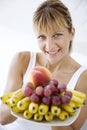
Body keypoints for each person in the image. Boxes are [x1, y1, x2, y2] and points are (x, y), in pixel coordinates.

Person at [0, 0, 87, 130]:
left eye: (57, 35)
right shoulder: (22, 60)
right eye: (42, 37)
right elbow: (2, 118)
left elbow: (74, 128)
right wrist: (27, 94)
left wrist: (51, 102)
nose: (49, 46)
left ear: (72, 33)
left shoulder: (83, 78)